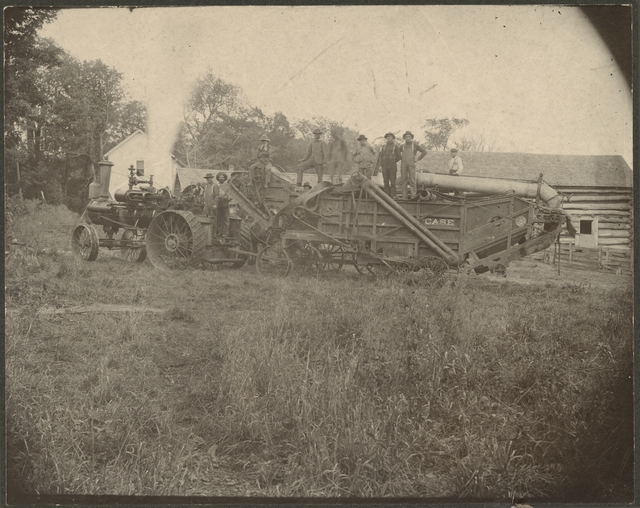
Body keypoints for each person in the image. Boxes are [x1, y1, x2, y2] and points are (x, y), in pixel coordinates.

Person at [398, 131, 427, 199]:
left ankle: (413, 196)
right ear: (404, 138)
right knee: (404, 180)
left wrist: (417, 159)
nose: (408, 138)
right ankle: (404, 196)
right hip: (403, 164)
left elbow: (424, 152)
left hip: (411, 164)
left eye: (409, 137)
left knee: (412, 180)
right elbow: (397, 154)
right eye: (406, 137)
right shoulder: (402, 146)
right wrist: (399, 158)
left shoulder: (415, 145)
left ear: (411, 138)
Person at [374, 132, 401, 197]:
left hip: (392, 166)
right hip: (384, 166)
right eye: (388, 137)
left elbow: (399, 157)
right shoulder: (383, 147)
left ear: (393, 138)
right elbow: (381, 157)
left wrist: (393, 161)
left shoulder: (396, 146)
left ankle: (393, 195)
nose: (389, 138)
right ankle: (386, 196)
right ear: (386, 138)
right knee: (385, 182)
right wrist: (381, 165)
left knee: (393, 182)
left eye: (390, 137)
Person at [216, 172, 230, 237]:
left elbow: (230, 195)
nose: (221, 178)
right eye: (220, 177)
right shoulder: (216, 185)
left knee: (226, 218)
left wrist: (227, 198)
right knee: (219, 218)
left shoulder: (227, 186)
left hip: (225, 202)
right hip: (218, 202)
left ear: (225, 178)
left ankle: (225, 233)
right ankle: (220, 232)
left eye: (222, 177)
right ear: (218, 178)